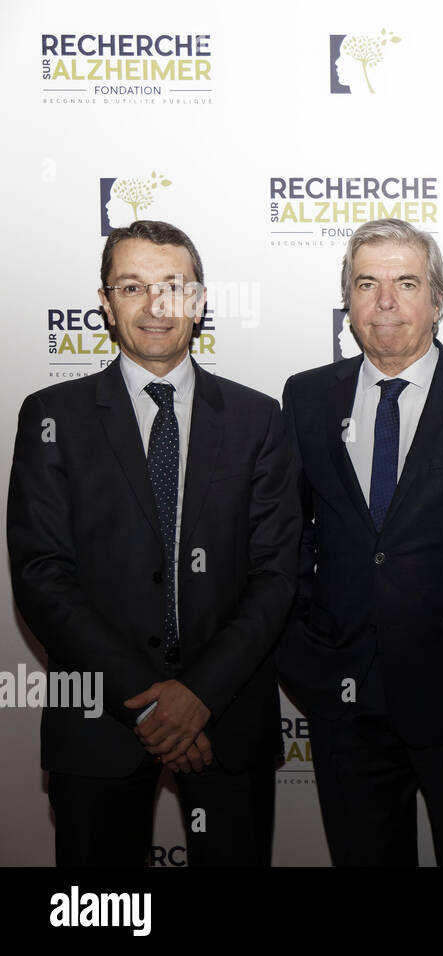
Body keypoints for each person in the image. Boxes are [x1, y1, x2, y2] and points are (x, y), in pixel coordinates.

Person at [7, 219, 299, 866]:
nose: (157, 305)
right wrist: (150, 704)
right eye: (133, 286)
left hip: (227, 719)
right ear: (106, 304)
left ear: (200, 300)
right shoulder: (53, 417)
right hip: (99, 727)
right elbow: (42, 575)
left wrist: (197, 695)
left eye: (174, 285)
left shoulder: (257, 420)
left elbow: (276, 573)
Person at [277, 218, 443, 866]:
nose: (385, 302)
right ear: (348, 300)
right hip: (345, 700)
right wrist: (307, 655)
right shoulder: (308, 397)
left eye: (405, 282)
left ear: (438, 300)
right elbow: (287, 542)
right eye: (367, 283)